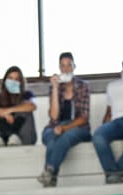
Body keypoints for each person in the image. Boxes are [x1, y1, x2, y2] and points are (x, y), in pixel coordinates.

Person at [37, 52, 91, 187]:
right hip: (56, 125)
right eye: (63, 66)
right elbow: (54, 116)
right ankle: (51, 177)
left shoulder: (83, 86)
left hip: (78, 127)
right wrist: (55, 89)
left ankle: (49, 172)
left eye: (69, 65)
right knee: (50, 137)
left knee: (65, 137)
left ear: (74, 67)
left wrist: (65, 128)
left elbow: (84, 118)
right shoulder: (55, 87)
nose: (66, 69)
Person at [0, 66, 37, 148]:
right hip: (5, 139)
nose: (13, 81)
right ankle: (1, 138)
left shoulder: (27, 94)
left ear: (21, 82)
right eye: (10, 78)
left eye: (16, 79)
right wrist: (0, 111)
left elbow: (33, 106)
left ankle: (14, 136)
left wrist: (8, 111)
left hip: (25, 138)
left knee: (25, 107)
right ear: (5, 80)